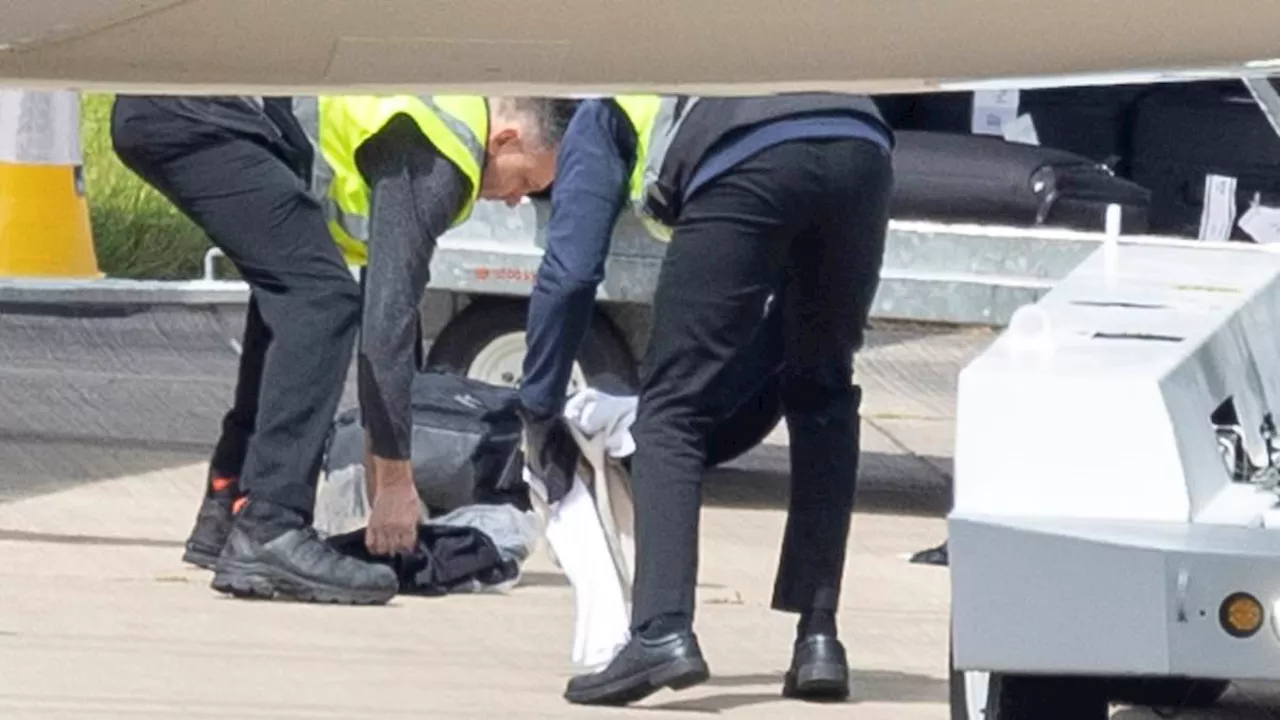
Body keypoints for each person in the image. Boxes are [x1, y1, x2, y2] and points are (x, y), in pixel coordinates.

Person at [112, 94, 575, 605]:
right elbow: (386, 329)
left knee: (294, 292)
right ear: (505, 140)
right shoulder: (442, 154)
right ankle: (271, 527)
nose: (516, 200)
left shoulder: (438, 118)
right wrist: (396, 480)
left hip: (190, 110)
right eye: (527, 182)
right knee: (323, 302)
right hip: (199, 116)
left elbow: (394, 313)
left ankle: (230, 506)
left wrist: (387, 455)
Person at [516, 94, 895, 705]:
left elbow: (573, 272)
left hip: (748, 155)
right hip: (863, 146)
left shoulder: (602, 106)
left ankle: (661, 632)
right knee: (822, 390)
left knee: (671, 410)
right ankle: (819, 638)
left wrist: (536, 408)